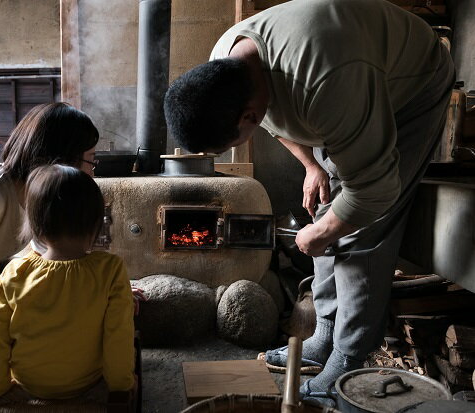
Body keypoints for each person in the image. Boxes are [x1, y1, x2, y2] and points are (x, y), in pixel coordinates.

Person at [164, 0, 454, 403]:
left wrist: (329, 230)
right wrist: (310, 167)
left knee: (362, 232)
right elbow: (270, 119)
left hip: (411, 85)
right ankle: (324, 335)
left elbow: (374, 191)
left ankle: (350, 358)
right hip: (346, 83)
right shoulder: (227, 63)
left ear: (244, 115)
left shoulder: (327, 81)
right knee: (321, 206)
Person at [0, 102, 144, 398]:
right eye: (90, 162)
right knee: (30, 316)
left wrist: (110, 288)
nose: (92, 173)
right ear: (62, 161)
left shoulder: (32, 192)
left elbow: (45, 252)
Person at [0, 164, 135, 403]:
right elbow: (118, 336)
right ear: (95, 223)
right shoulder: (110, 270)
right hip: (87, 385)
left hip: (28, 384)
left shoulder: (15, 272)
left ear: (35, 222)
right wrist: (120, 386)